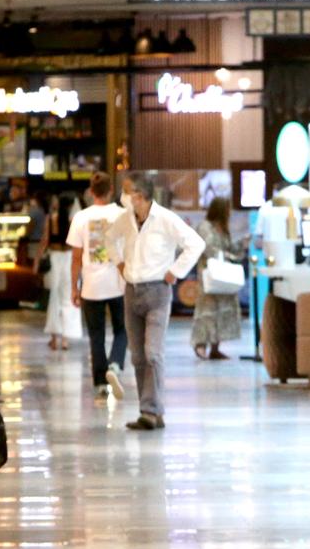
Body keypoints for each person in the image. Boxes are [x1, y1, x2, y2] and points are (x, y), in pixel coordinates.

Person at [112, 174, 205, 430]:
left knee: (153, 353)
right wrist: (119, 263)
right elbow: (109, 239)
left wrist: (175, 271)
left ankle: (152, 410)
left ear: (140, 196)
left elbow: (195, 244)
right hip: (132, 291)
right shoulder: (125, 220)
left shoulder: (165, 218)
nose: (123, 197)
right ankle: (150, 411)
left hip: (158, 292)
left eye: (126, 192)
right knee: (138, 357)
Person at [67, 172, 128, 399]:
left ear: (91, 191)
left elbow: (75, 257)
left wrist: (74, 287)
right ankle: (115, 365)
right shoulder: (122, 215)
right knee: (123, 329)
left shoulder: (81, 218)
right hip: (120, 283)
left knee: (96, 334)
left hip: (91, 285)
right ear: (111, 189)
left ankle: (100, 384)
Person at [191, 197, 248, 360]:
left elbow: (228, 247)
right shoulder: (205, 227)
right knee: (207, 310)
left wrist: (241, 245)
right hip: (210, 275)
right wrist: (228, 256)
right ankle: (200, 343)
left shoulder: (223, 229)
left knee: (223, 310)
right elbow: (209, 249)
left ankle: (216, 347)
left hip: (224, 278)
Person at [40, 193, 83, 350]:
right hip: (70, 258)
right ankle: (66, 338)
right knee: (68, 297)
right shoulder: (74, 222)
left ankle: (54, 338)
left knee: (54, 298)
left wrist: (37, 261)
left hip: (55, 258)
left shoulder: (51, 219)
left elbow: (44, 241)